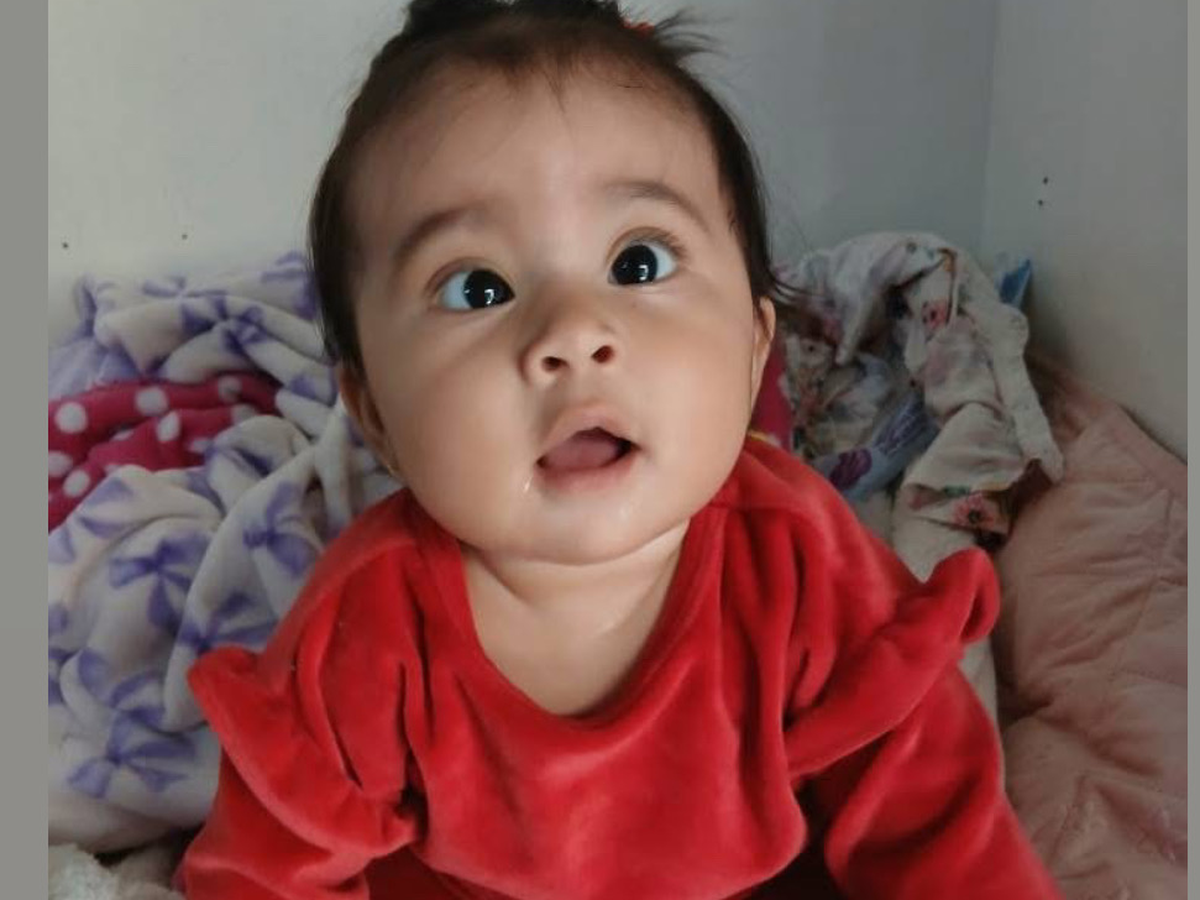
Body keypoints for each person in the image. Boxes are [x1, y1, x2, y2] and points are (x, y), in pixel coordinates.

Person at [175, 1, 1063, 897]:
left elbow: (941, 830)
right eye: (478, 287)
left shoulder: (802, 570)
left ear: (755, 349)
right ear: (373, 415)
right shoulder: (364, 637)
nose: (573, 332)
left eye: (639, 264)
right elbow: (263, 875)